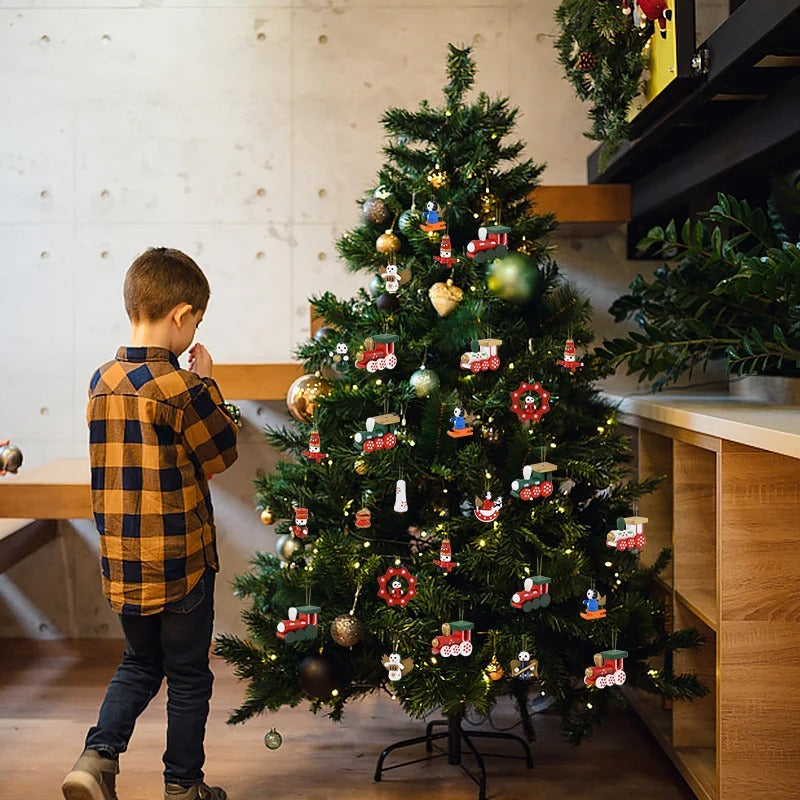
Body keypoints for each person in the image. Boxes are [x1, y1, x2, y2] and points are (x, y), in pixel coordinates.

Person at [61, 248, 238, 800]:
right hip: (182, 564)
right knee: (187, 677)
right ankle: (183, 787)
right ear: (182, 316)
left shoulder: (101, 380)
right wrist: (207, 384)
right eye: (197, 324)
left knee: (139, 662)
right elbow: (221, 452)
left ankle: (95, 760)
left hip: (123, 563)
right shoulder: (181, 389)